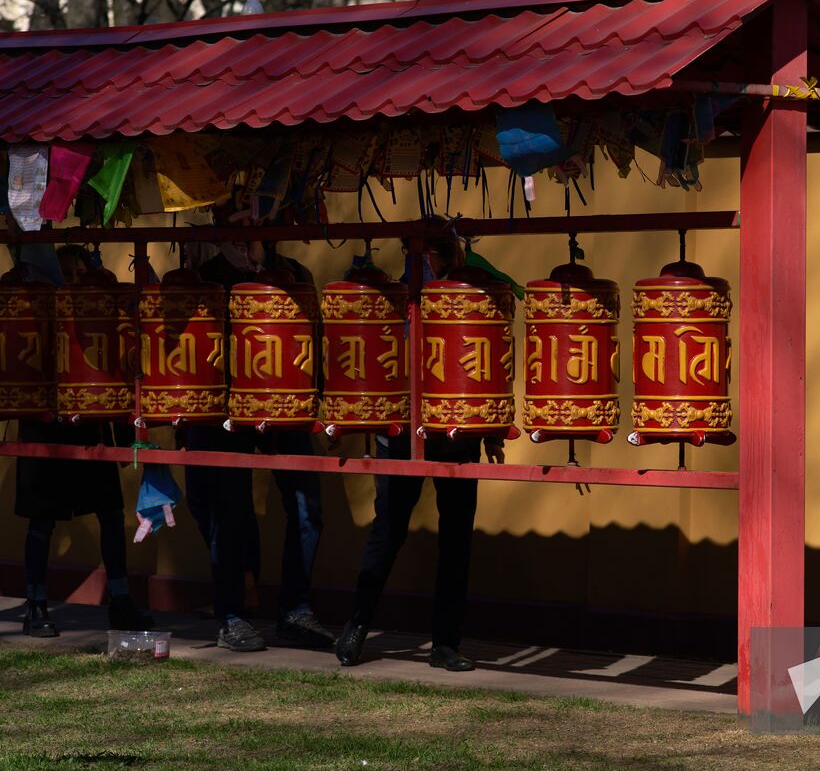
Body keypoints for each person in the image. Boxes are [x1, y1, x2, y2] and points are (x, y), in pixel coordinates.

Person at [335, 233, 504, 671]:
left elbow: (485, 363)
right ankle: (357, 624)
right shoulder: (397, 300)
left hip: (457, 434)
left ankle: (446, 642)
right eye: (420, 260)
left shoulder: (470, 296)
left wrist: (490, 431)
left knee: (456, 539)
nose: (425, 267)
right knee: (387, 529)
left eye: (432, 259)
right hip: (404, 429)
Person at [184, 206, 334, 652]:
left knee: (307, 510)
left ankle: (296, 610)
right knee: (227, 513)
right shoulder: (206, 277)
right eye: (236, 222)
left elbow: (314, 333)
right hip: (227, 409)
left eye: (255, 223)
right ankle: (231, 614)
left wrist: (319, 396)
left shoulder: (294, 272)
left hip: (288, 401)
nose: (246, 233)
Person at [15, 244, 150, 636]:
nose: (72, 284)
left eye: (77, 275)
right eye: (65, 275)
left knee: (110, 515)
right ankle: (35, 604)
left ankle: (121, 600)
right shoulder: (36, 311)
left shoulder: (96, 312)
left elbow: (118, 368)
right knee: (41, 522)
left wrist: (124, 437)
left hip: (90, 425)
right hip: (45, 426)